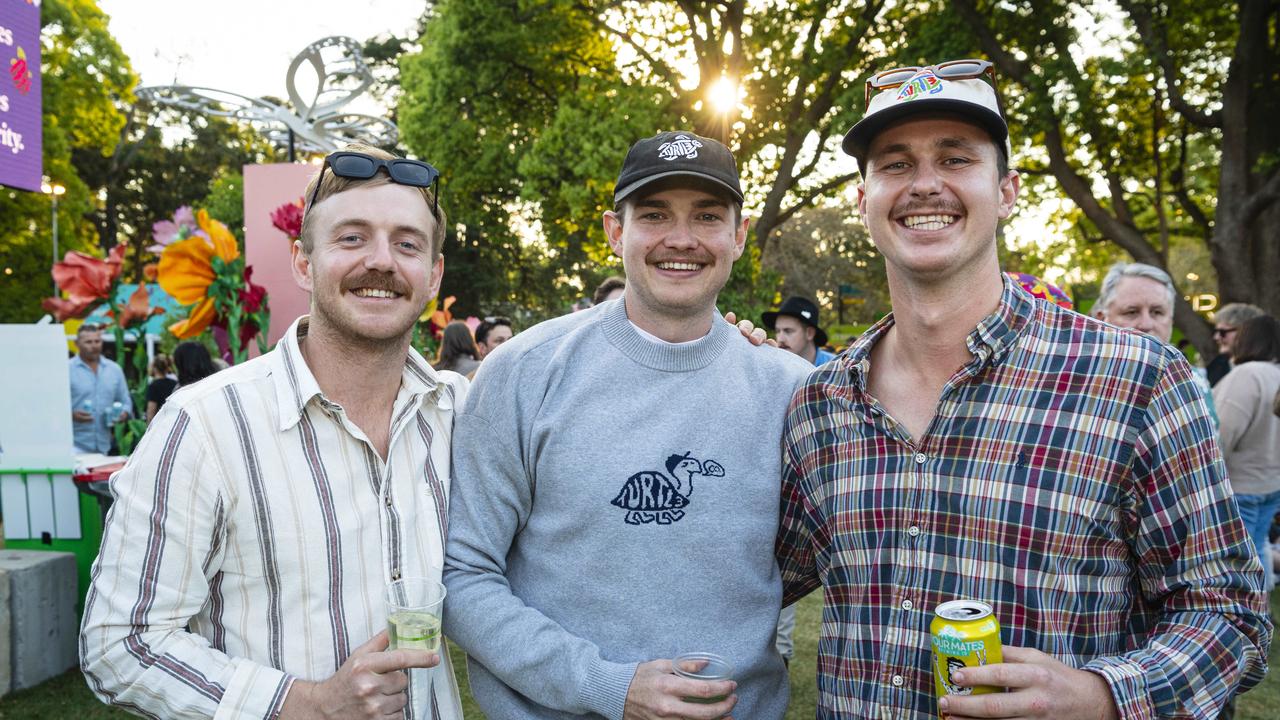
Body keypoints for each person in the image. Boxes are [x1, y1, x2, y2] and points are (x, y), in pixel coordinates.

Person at [775, 59, 1271, 719]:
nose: (924, 184)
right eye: (894, 164)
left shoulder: (1139, 379)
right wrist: (715, 360)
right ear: (863, 200)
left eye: (955, 159)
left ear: (1006, 192)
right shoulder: (821, 402)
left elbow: (1229, 615)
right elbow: (752, 579)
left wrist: (1102, 697)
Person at [81, 143, 467, 719]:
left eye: (407, 244)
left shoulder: (460, 413)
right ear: (303, 262)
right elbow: (121, 643)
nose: (382, 261)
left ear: (432, 274)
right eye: (352, 237)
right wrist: (305, 704)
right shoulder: (206, 423)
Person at [444, 130, 811, 719]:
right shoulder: (525, 371)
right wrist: (603, 685)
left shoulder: (791, 390)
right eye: (655, 214)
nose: (682, 239)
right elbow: (461, 573)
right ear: (616, 230)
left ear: (739, 236)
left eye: (708, 216)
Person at [1092, 261, 1218, 425]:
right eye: (1131, 312)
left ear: (1171, 321)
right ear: (1102, 319)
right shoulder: (1080, 382)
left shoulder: (1194, 382)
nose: (1146, 324)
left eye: (1157, 312)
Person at [1213, 315, 1280, 592]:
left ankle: (1245, 620)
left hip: (1240, 485)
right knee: (1259, 551)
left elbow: (1222, 434)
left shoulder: (1248, 374)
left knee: (1236, 563)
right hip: (1270, 483)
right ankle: (1260, 615)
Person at [69, 324, 133, 454]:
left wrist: (123, 414)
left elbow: (126, 402)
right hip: (73, 445)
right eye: (88, 342)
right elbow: (53, 407)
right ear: (77, 343)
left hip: (105, 446)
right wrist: (71, 415)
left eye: (97, 341)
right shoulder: (66, 369)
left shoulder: (114, 369)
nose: (94, 345)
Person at [763, 296, 835, 366]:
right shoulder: (772, 366)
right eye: (777, 331)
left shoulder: (837, 368)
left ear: (810, 333)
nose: (780, 339)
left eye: (788, 331)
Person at [1208, 303, 1265, 386]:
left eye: (1222, 332)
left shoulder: (1268, 366)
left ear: (1246, 331)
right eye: (1216, 332)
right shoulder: (1216, 366)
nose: (1216, 337)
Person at [143, 353, 178, 423]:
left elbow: (151, 410)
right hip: (173, 422)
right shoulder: (174, 383)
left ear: (155, 368)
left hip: (160, 424)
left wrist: (149, 429)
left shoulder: (153, 386)